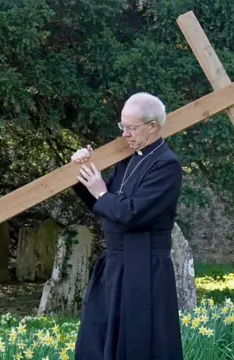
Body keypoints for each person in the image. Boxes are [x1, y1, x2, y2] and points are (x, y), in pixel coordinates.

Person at [70, 92, 184, 359]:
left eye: (132, 128)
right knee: (98, 341)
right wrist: (83, 173)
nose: (125, 135)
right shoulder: (129, 159)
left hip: (145, 270)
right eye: (123, 127)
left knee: (142, 346)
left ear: (153, 126)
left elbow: (132, 214)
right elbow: (106, 206)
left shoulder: (167, 165)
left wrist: (101, 192)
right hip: (117, 266)